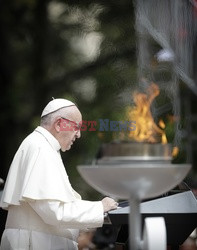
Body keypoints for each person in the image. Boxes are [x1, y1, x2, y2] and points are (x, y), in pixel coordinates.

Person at [0, 98, 118, 250]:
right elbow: (53, 212)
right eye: (77, 127)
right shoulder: (40, 148)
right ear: (59, 124)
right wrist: (99, 207)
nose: (79, 134)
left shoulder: (41, 146)